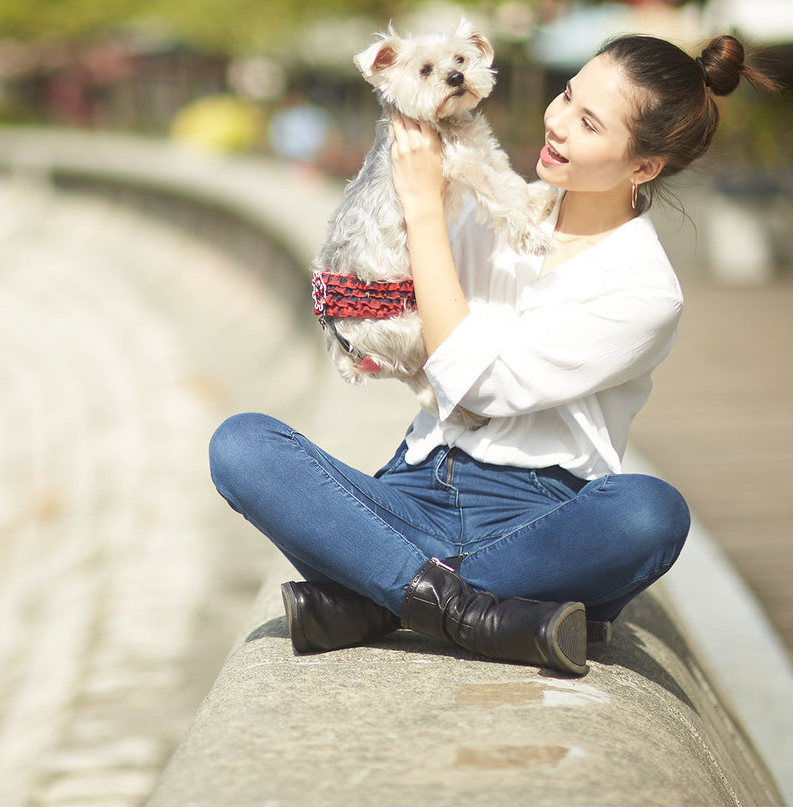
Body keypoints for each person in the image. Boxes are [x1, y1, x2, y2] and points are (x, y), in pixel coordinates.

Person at [209, 33, 775, 677]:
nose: (557, 124)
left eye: (588, 123)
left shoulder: (642, 290)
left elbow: (477, 387)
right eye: (566, 95)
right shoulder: (486, 204)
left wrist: (424, 210)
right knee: (242, 444)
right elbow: (385, 306)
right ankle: (479, 617)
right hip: (414, 490)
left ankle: (381, 599)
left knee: (652, 513)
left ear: (643, 166)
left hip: (538, 519)